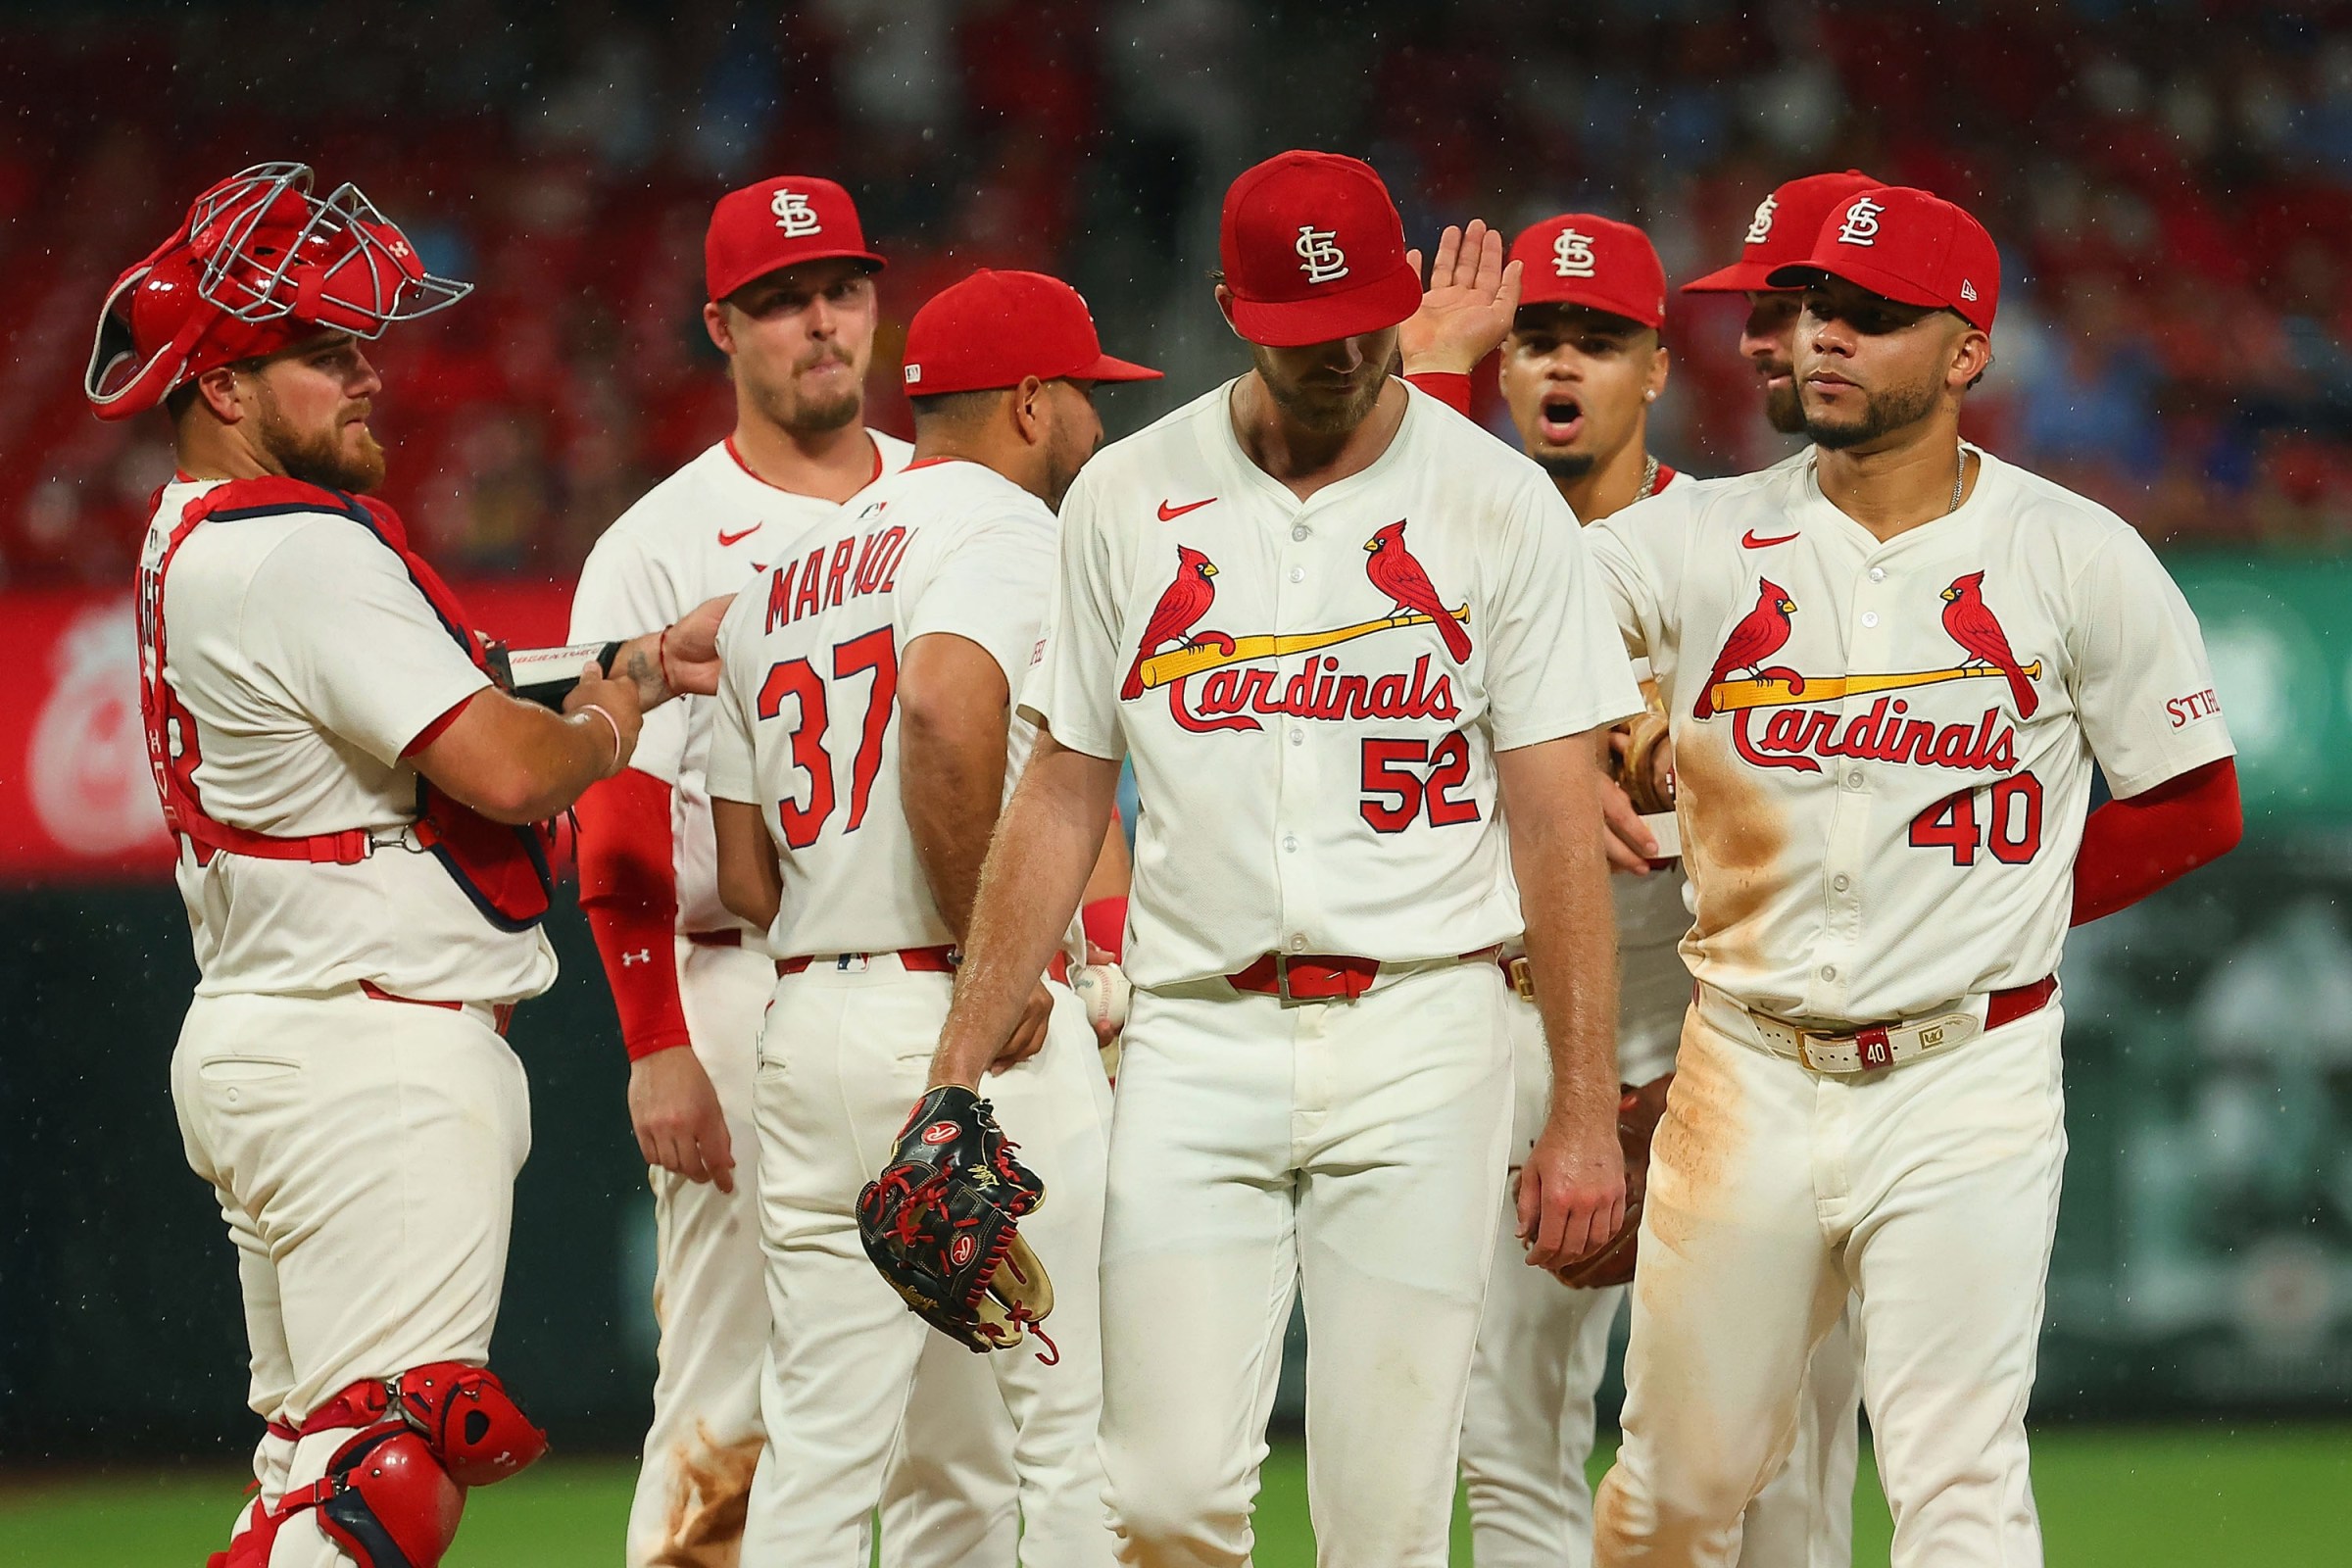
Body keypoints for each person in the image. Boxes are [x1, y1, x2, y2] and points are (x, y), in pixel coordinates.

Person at [904, 149, 1642, 1566]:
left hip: (1427, 1030)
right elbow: (1065, 784)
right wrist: (959, 1050)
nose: (1345, 352)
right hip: (1196, 1036)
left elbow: (1557, 817)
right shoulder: (1128, 493)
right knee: (1161, 1501)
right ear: (1232, 307)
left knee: (1384, 1518)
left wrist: (1582, 1107)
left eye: (1370, 318)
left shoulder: (1497, 504)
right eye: (1307, 332)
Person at [1583, 187, 2242, 1566]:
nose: (1825, 338)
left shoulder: (2072, 551)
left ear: (1966, 352)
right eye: (1816, 309)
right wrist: (1582, 750)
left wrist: (2004, 911)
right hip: (1744, 1069)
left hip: (1969, 1071)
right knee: (1680, 1491)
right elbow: (1496, 633)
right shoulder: (1693, 540)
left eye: (1873, 318)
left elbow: (2196, 802)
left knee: (1958, 1485)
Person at [86, 163, 726, 1568]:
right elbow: (507, 766)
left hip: (280, 1033)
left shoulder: (191, 534)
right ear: (226, 390)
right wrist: (618, 713)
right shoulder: (292, 550)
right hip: (367, 1056)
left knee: (312, 1474)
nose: (365, 375)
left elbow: (439, 682)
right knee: (384, 1476)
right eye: (320, 354)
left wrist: (613, 662)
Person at [567, 172, 1031, 1566]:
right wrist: (655, 1043)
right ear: (722, 325)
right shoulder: (654, 543)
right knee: (728, 1399)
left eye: (840, 290)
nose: (820, 324)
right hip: (740, 980)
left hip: (953, 979)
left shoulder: (949, 498)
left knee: (968, 1420)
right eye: (780, 302)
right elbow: (620, 822)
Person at [1403, 211, 1852, 1568]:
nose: (1562, 364)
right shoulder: (1439, 535)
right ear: (1500, 362)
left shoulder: (1739, 543)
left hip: (1723, 1030)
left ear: (1656, 370)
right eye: (1537, 335)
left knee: (1776, 1449)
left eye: (1598, 341)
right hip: (1509, 1018)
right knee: (1511, 1426)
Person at [705, 268, 1158, 1562]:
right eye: (1084, 394)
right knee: (1066, 1431)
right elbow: (946, 710)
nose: (1097, 423)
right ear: (1027, 403)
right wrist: (986, 966)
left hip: (806, 1023)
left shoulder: (781, 570)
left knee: (822, 1449)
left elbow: (745, 875)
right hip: (965, 1029)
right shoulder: (1009, 530)